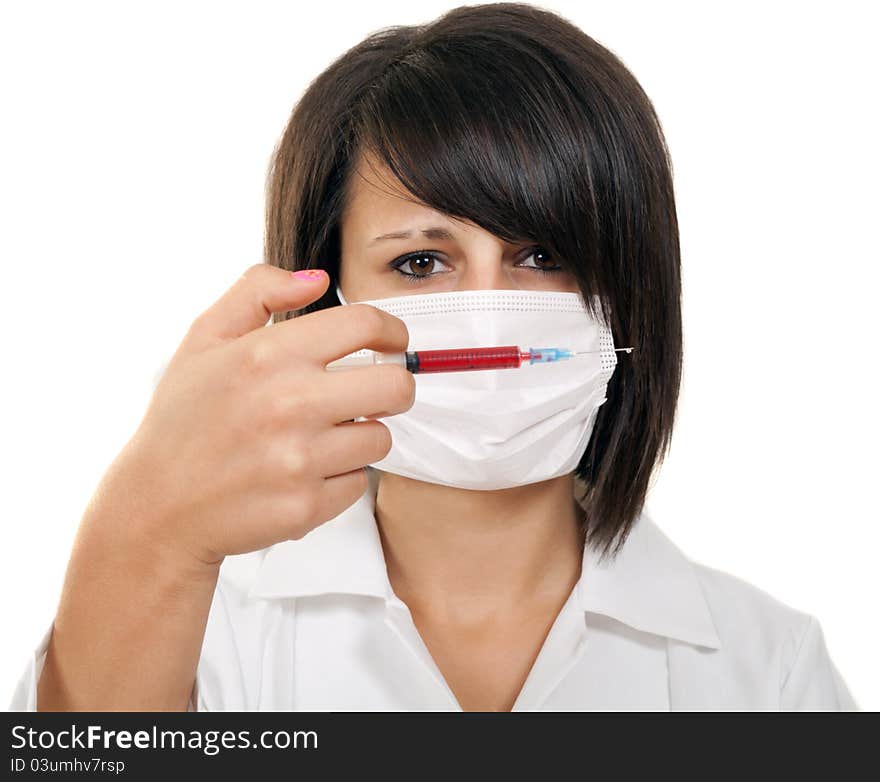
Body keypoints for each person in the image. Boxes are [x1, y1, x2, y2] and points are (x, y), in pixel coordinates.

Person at [10, 2, 857, 711]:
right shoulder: (207, 631)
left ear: (631, 290)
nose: (491, 315)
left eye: (543, 255)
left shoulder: (769, 673)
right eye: (420, 263)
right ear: (324, 295)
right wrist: (145, 522)